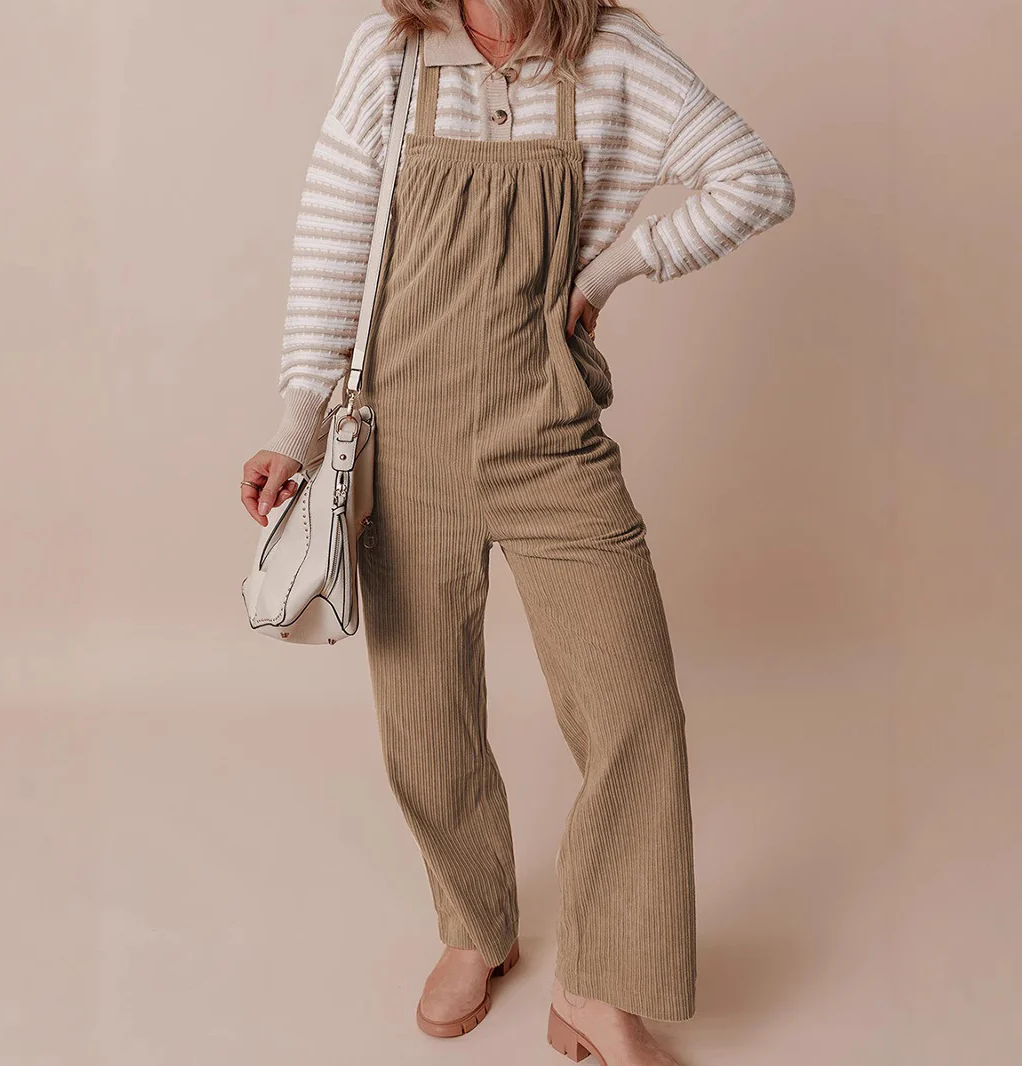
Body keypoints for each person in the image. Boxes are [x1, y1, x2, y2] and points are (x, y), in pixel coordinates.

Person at [240, 1, 795, 1062]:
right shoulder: (393, 53)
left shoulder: (614, 53)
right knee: (426, 719)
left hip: (550, 441)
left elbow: (754, 181)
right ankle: (474, 927)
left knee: (636, 710)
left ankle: (599, 986)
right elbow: (333, 240)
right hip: (403, 440)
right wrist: (295, 428)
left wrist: (608, 271)